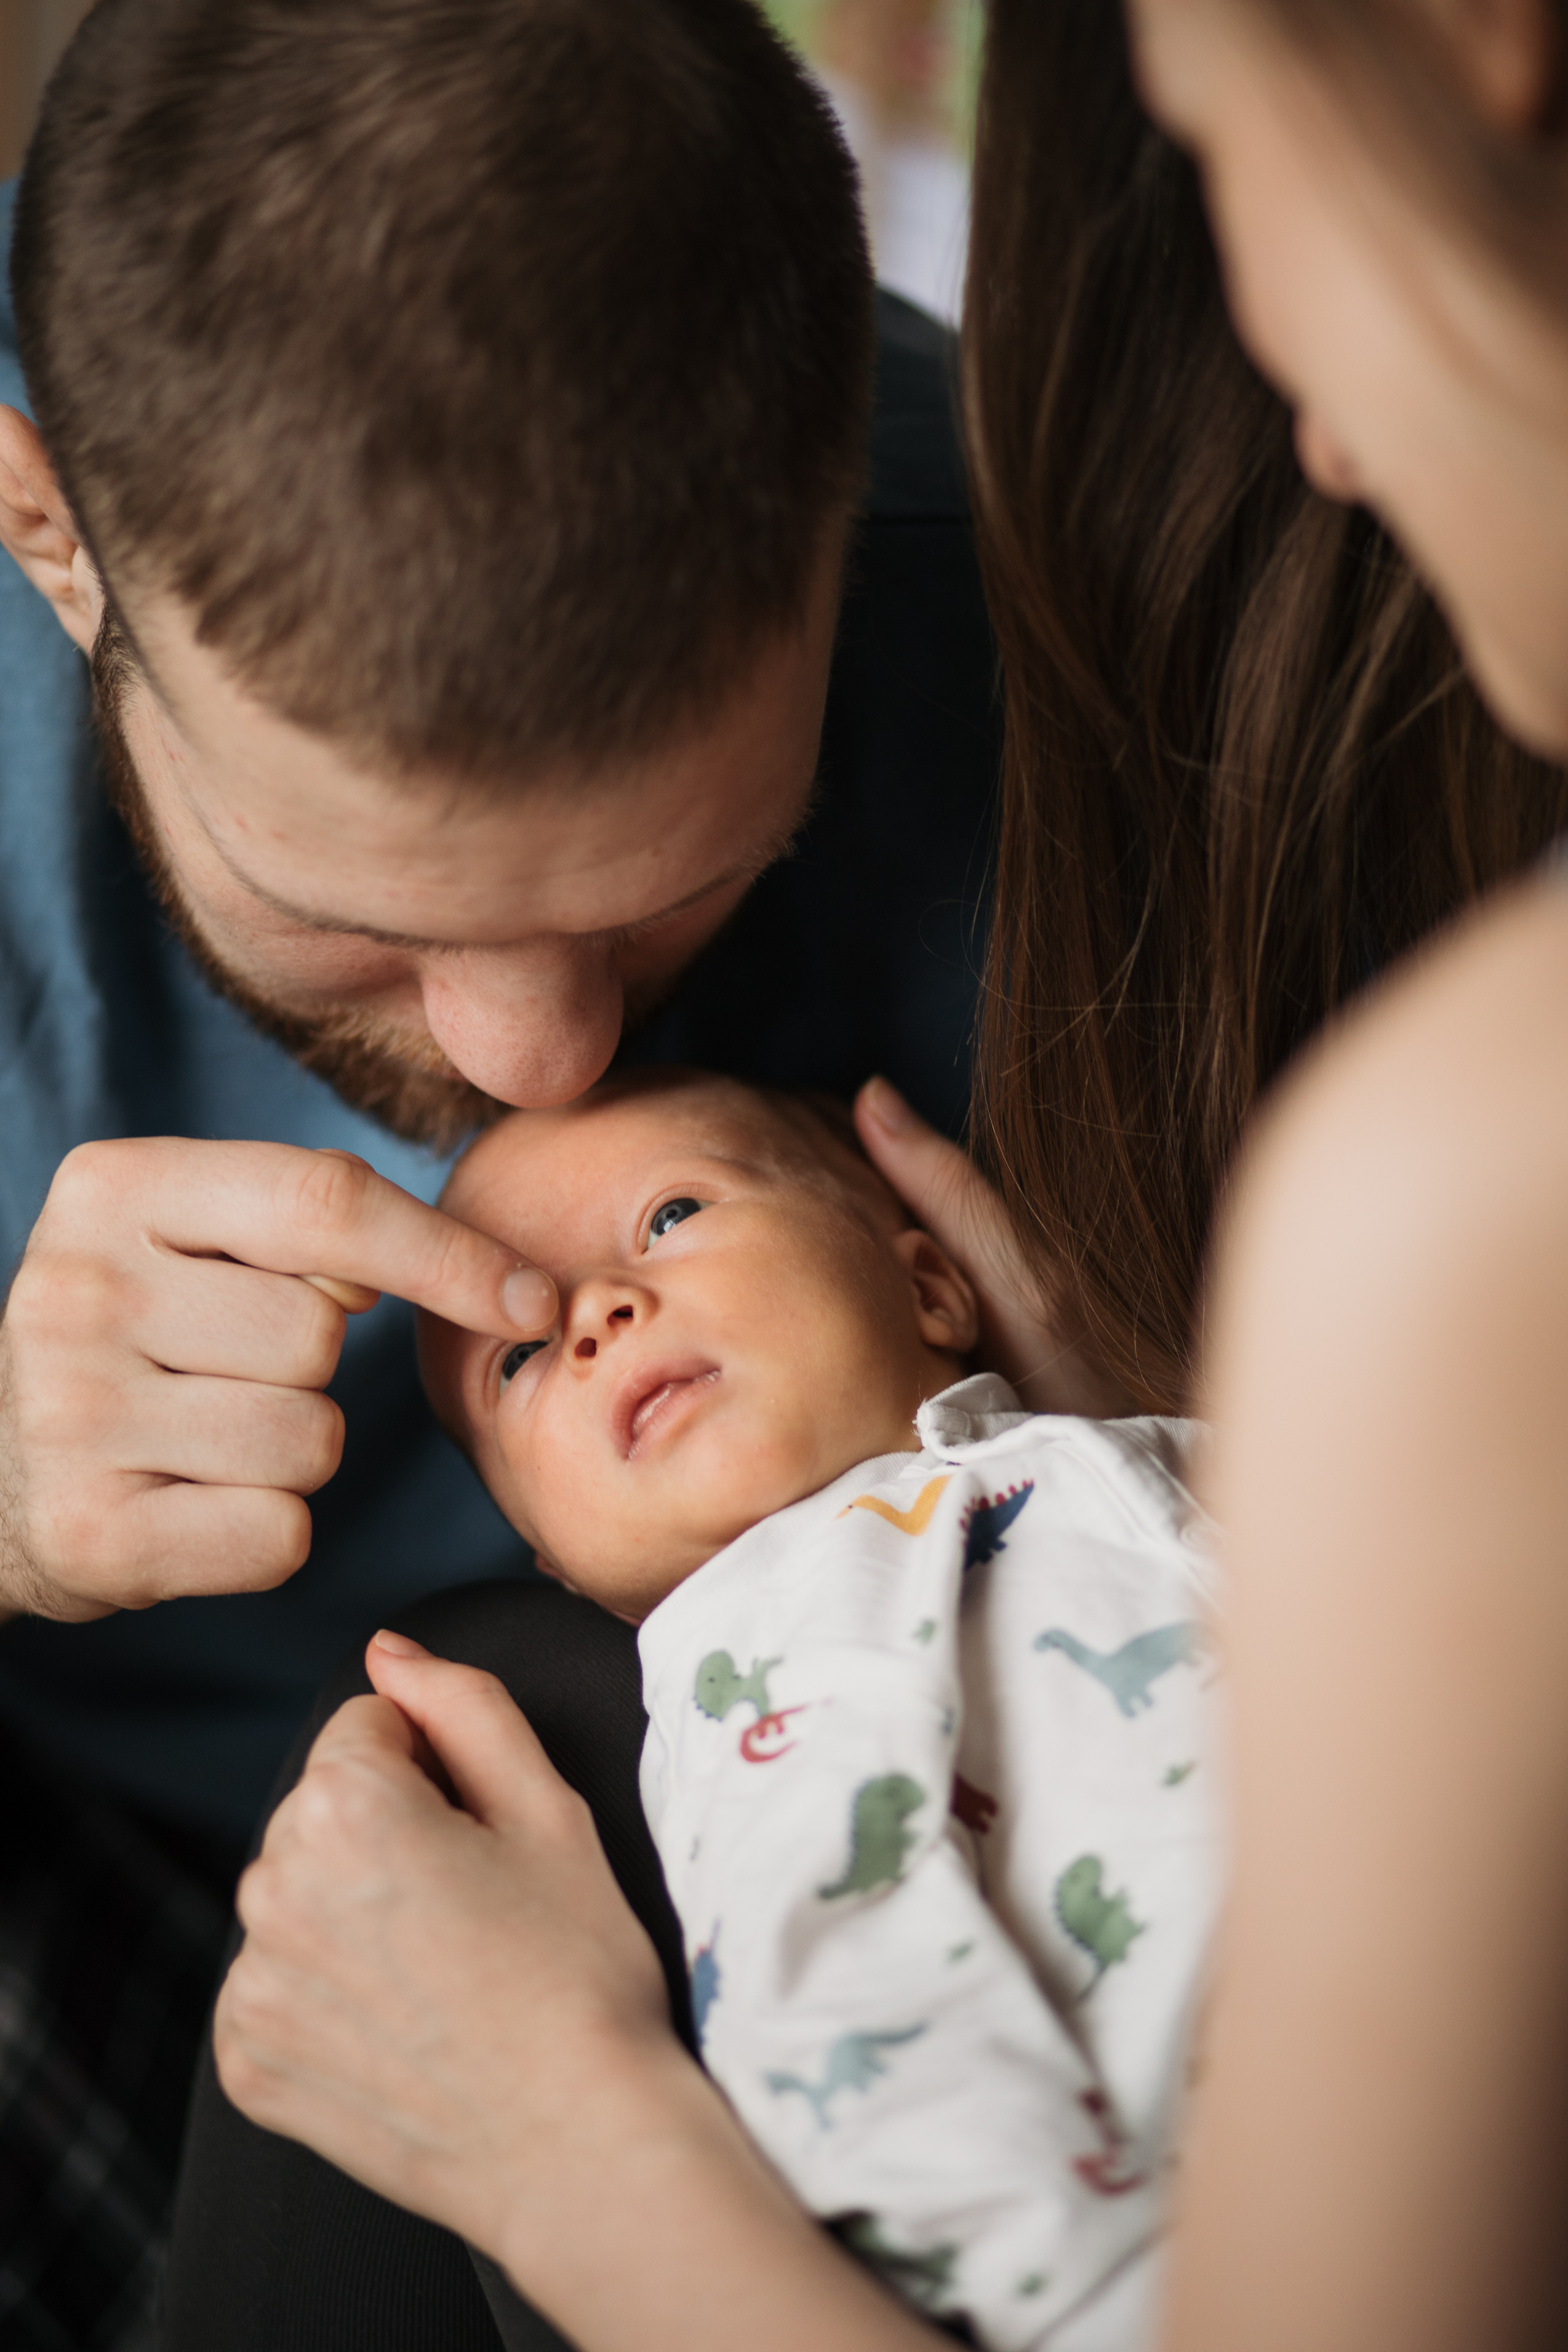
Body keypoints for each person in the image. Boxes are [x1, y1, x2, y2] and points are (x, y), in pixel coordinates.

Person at [196, 0, 1568, 2347]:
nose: (1308, 414)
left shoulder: (1440, 1202)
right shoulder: (743, 1673)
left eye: (667, 1225)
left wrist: (547, 2129)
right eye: (516, 1351)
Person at [0, 0, 1004, 2337]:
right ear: (51, 537)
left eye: (684, 871)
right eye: (364, 916)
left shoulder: (1044, 626)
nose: (542, 1059)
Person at [417, 1068, 1218, 2349]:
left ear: (930, 1285)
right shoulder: (761, 1649)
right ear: (561, 1570)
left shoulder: (1080, 1453)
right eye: (516, 1355)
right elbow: (855, 2017)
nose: (599, 1313)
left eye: (670, 1216)